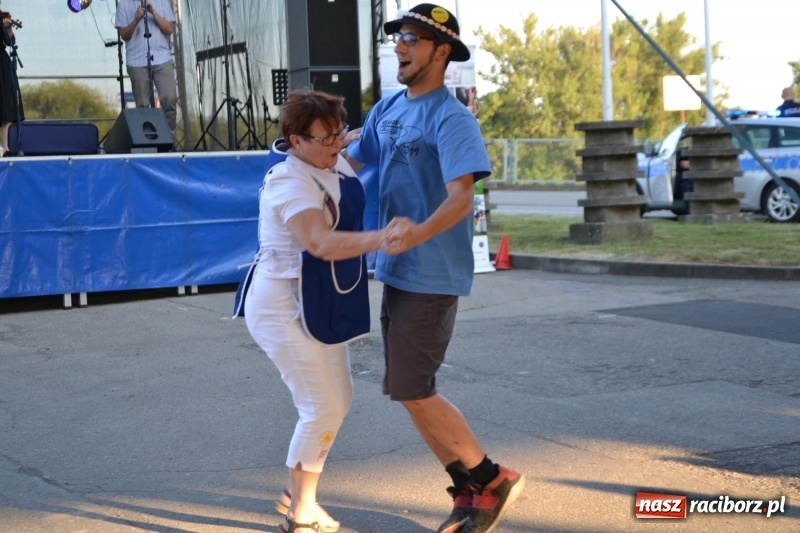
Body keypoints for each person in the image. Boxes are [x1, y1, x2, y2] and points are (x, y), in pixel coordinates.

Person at [344, 4, 524, 533]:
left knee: (413, 386)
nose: (399, 46)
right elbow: (354, 161)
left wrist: (416, 232)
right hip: (396, 271)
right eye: (398, 37)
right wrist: (308, 159)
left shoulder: (453, 118)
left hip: (431, 271)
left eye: (411, 39)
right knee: (406, 387)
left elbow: (461, 199)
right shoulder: (387, 109)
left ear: (441, 52)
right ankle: (470, 491)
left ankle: (492, 479)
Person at [240, 88, 403, 533]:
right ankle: (301, 512)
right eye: (326, 139)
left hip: (318, 299)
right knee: (323, 406)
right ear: (296, 141)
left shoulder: (328, 158)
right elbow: (319, 242)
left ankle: (300, 490)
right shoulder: (288, 181)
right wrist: (382, 237)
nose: (337, 146)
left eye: (338, 135)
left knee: (339, 400)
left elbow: (357, 146)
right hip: (281, 305)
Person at [115, 0, 178, 132]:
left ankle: (168, 139)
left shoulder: (162, 2)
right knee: (142, 105)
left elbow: (169, 29)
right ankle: (148, 141)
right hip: (137, 61)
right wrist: (136, 20)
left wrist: (154, 13)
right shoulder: (124, 5)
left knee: (169, 98)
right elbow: (124, 35)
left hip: (162, 58)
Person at [0, 10, 22, 154]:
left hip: (1, 63)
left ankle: (6, 147)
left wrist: (8, 27)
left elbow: (10, 42)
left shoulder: (2, 17)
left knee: (6, 104)